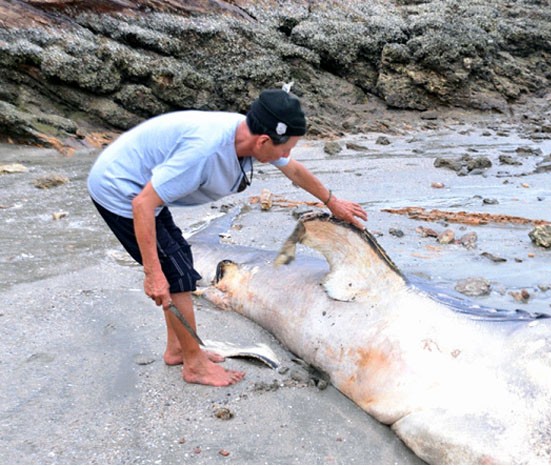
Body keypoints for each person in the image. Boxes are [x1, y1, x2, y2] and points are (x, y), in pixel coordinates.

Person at [87, 89, 368, 387]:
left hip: (143, 186)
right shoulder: (204, 153)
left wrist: (332, 201)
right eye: (285, 149)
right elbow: (142, 204)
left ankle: (179, 348)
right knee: (175, 273)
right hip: (120, 191)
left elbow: (295, 171)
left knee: (178, 258)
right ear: (263, 141)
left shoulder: (252, 131)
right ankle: (194, 364)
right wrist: (152, 273)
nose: (287, 156)